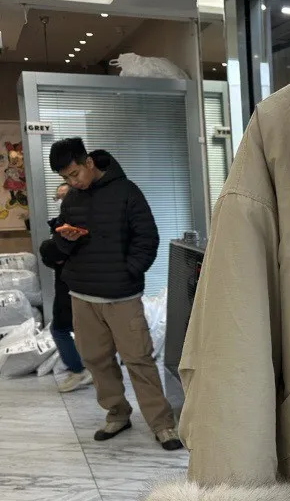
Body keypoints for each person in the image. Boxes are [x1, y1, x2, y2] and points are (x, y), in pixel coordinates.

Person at [48, 137, 183, 451]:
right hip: (82, 295)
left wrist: (129, 271)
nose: (72, 182)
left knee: (139, 360)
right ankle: (117, 413)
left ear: (89, 162)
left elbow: (147, 238)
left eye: (74, 174)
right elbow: (61, 241)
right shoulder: (72, 199)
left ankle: (162, 424)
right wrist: (65, 239)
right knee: (96, 360)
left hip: (122, 297)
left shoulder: (127, 191)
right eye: (66, 178)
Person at [38, 183, 93, 393]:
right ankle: (90, 368)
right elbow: (53, 256)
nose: (60, 201)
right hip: (69, 283)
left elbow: (57, 253)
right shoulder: (64, 221)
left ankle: (79, 370)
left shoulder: (76, 222)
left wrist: (50, 250)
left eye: (64, 196)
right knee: (78, 329)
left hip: (74, 285)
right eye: (58, 197)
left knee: (60, 329)